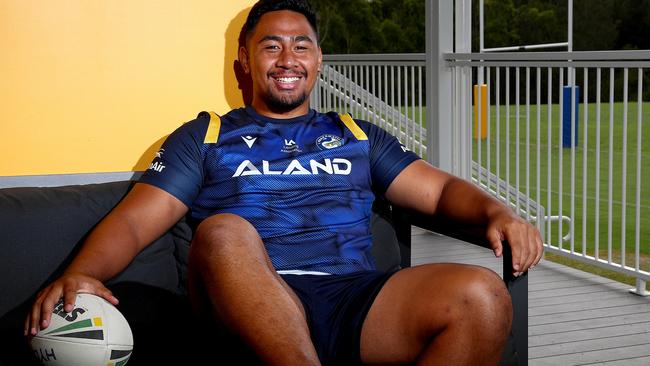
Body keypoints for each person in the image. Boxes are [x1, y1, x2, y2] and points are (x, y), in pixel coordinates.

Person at [26, 0, 543, 364]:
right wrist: (82, 273)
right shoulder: (206, 134)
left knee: (481, 295)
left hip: (352, 298)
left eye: (301, 46)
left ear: (317, 62)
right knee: (225, 231)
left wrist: (497, 212)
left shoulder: (354, 133)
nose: (288, 59)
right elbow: (136, 223)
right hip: (245, 304)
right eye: (271, 47)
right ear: (244, 63)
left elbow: (440, 191)